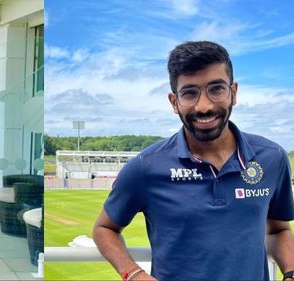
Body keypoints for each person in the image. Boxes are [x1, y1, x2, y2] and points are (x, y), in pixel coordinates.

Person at [93, 41, 294, 281]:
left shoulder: (272, 157)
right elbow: (104, 229)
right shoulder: (146, 166)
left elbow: (279, 230)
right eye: (189, 93)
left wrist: (291, 272)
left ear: (234, 92)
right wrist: (134, 274)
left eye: (216, 89)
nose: (204, 106)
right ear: (174, 102)